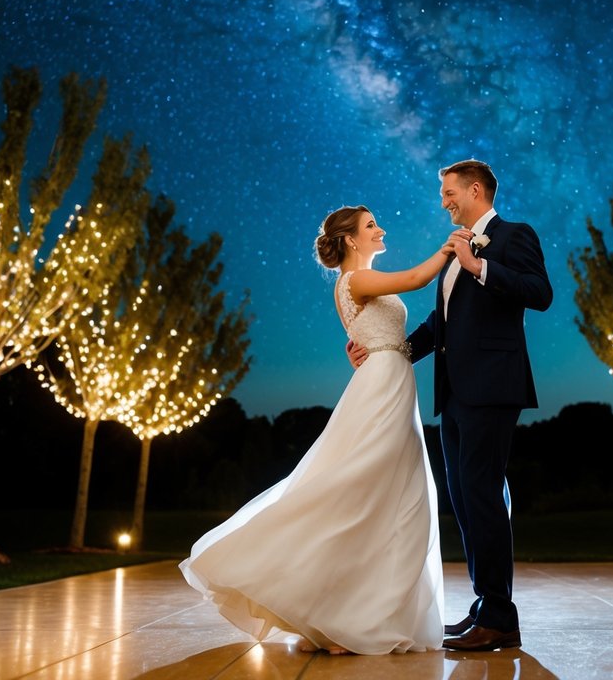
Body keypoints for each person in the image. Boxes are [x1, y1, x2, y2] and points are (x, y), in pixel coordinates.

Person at [180, 205, 455, 655]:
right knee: (360, 489)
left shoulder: (357, 282)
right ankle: (336, 617)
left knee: (383, 495)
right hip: (381, 387)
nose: (380, 229)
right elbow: (414, 280)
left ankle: (344, 614)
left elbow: (385, 334)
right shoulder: (356, 280)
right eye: (371, 226)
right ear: (350, 239)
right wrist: (449, 247)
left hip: (390, 379)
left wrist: (381, 347)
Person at [349, 160, 552, 652]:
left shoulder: (512, 235)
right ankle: (485, 607)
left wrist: (481, 265)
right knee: (465, 500)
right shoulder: (452, 250)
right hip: (455, 394)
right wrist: (386, 352)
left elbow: (540, 293)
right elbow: (440, 325)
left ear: (475, 189)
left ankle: (501, 618)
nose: (443, 201)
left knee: (481, 494)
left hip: (493, 386)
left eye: (448, 192)